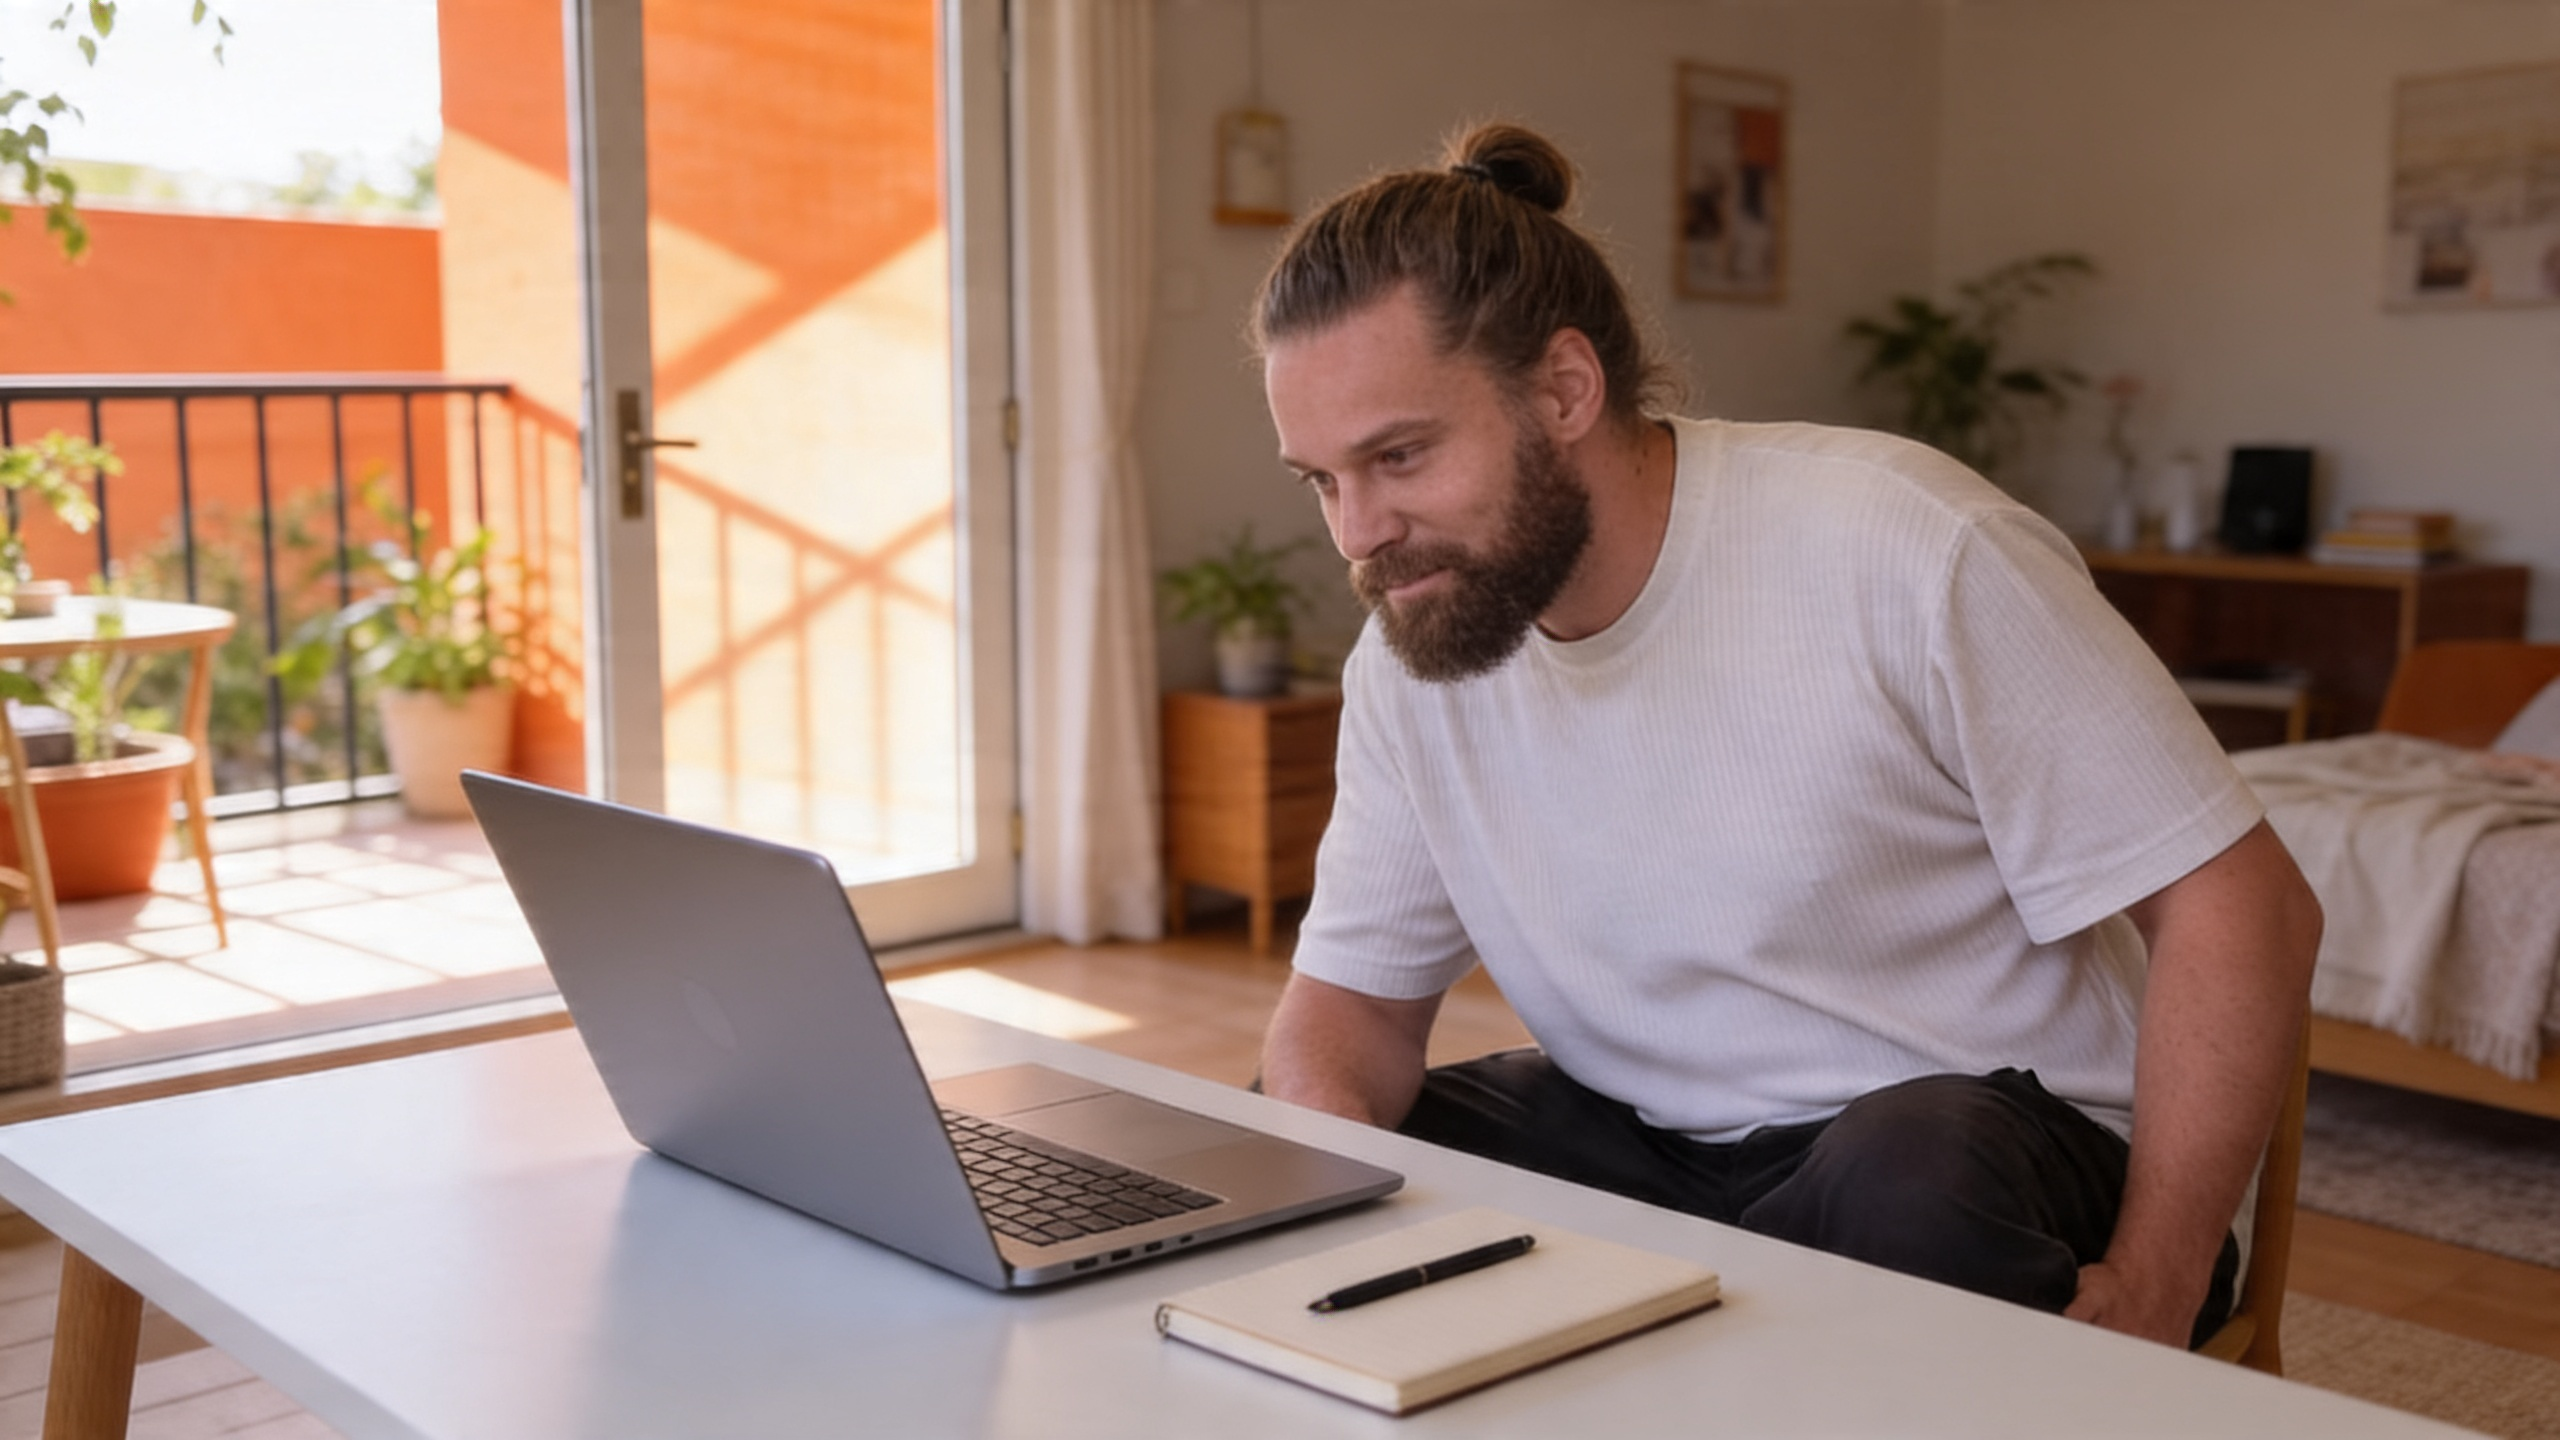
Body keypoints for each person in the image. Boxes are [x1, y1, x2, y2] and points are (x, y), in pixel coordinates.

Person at [1248, 122, 2322, 1350]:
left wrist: (2160, 1277)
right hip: (1658, 1147)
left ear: (1562, 390)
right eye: (1320, 481)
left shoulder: (1902, 545)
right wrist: (1333, 1212)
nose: (1356, 533)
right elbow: (1352, 1015)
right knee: (1296, 1148)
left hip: (1983, 1144)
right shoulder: (1415, 652)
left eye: (1398, 456)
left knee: (1912, 1181)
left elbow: (2245, 906)